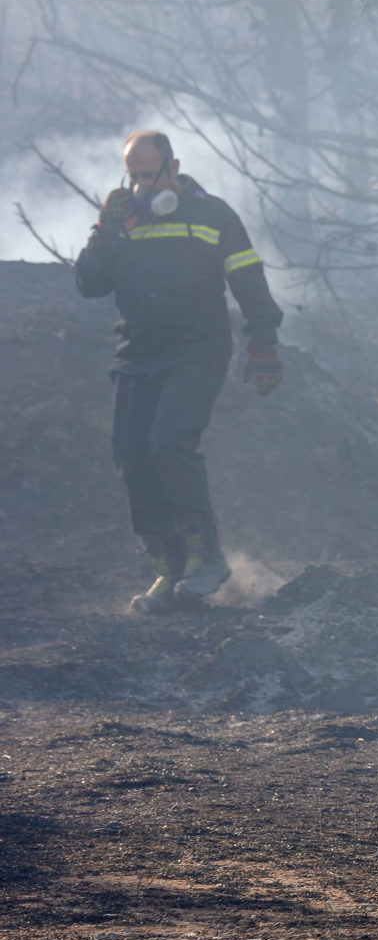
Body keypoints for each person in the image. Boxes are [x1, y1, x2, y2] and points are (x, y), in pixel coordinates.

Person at [74, 130, 285, 613]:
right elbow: (88, 283)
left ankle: (205, 557)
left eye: (149, 175)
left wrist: (264, 340)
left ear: (174, 166)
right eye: (133, 177)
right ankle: (169, 569)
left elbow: (248, 277)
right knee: (132, 454)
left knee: (170, 441)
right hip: (137, 352)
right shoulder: (122, 220)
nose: (142, 186)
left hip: (197, 349)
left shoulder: (214, 216)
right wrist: (104, 233)